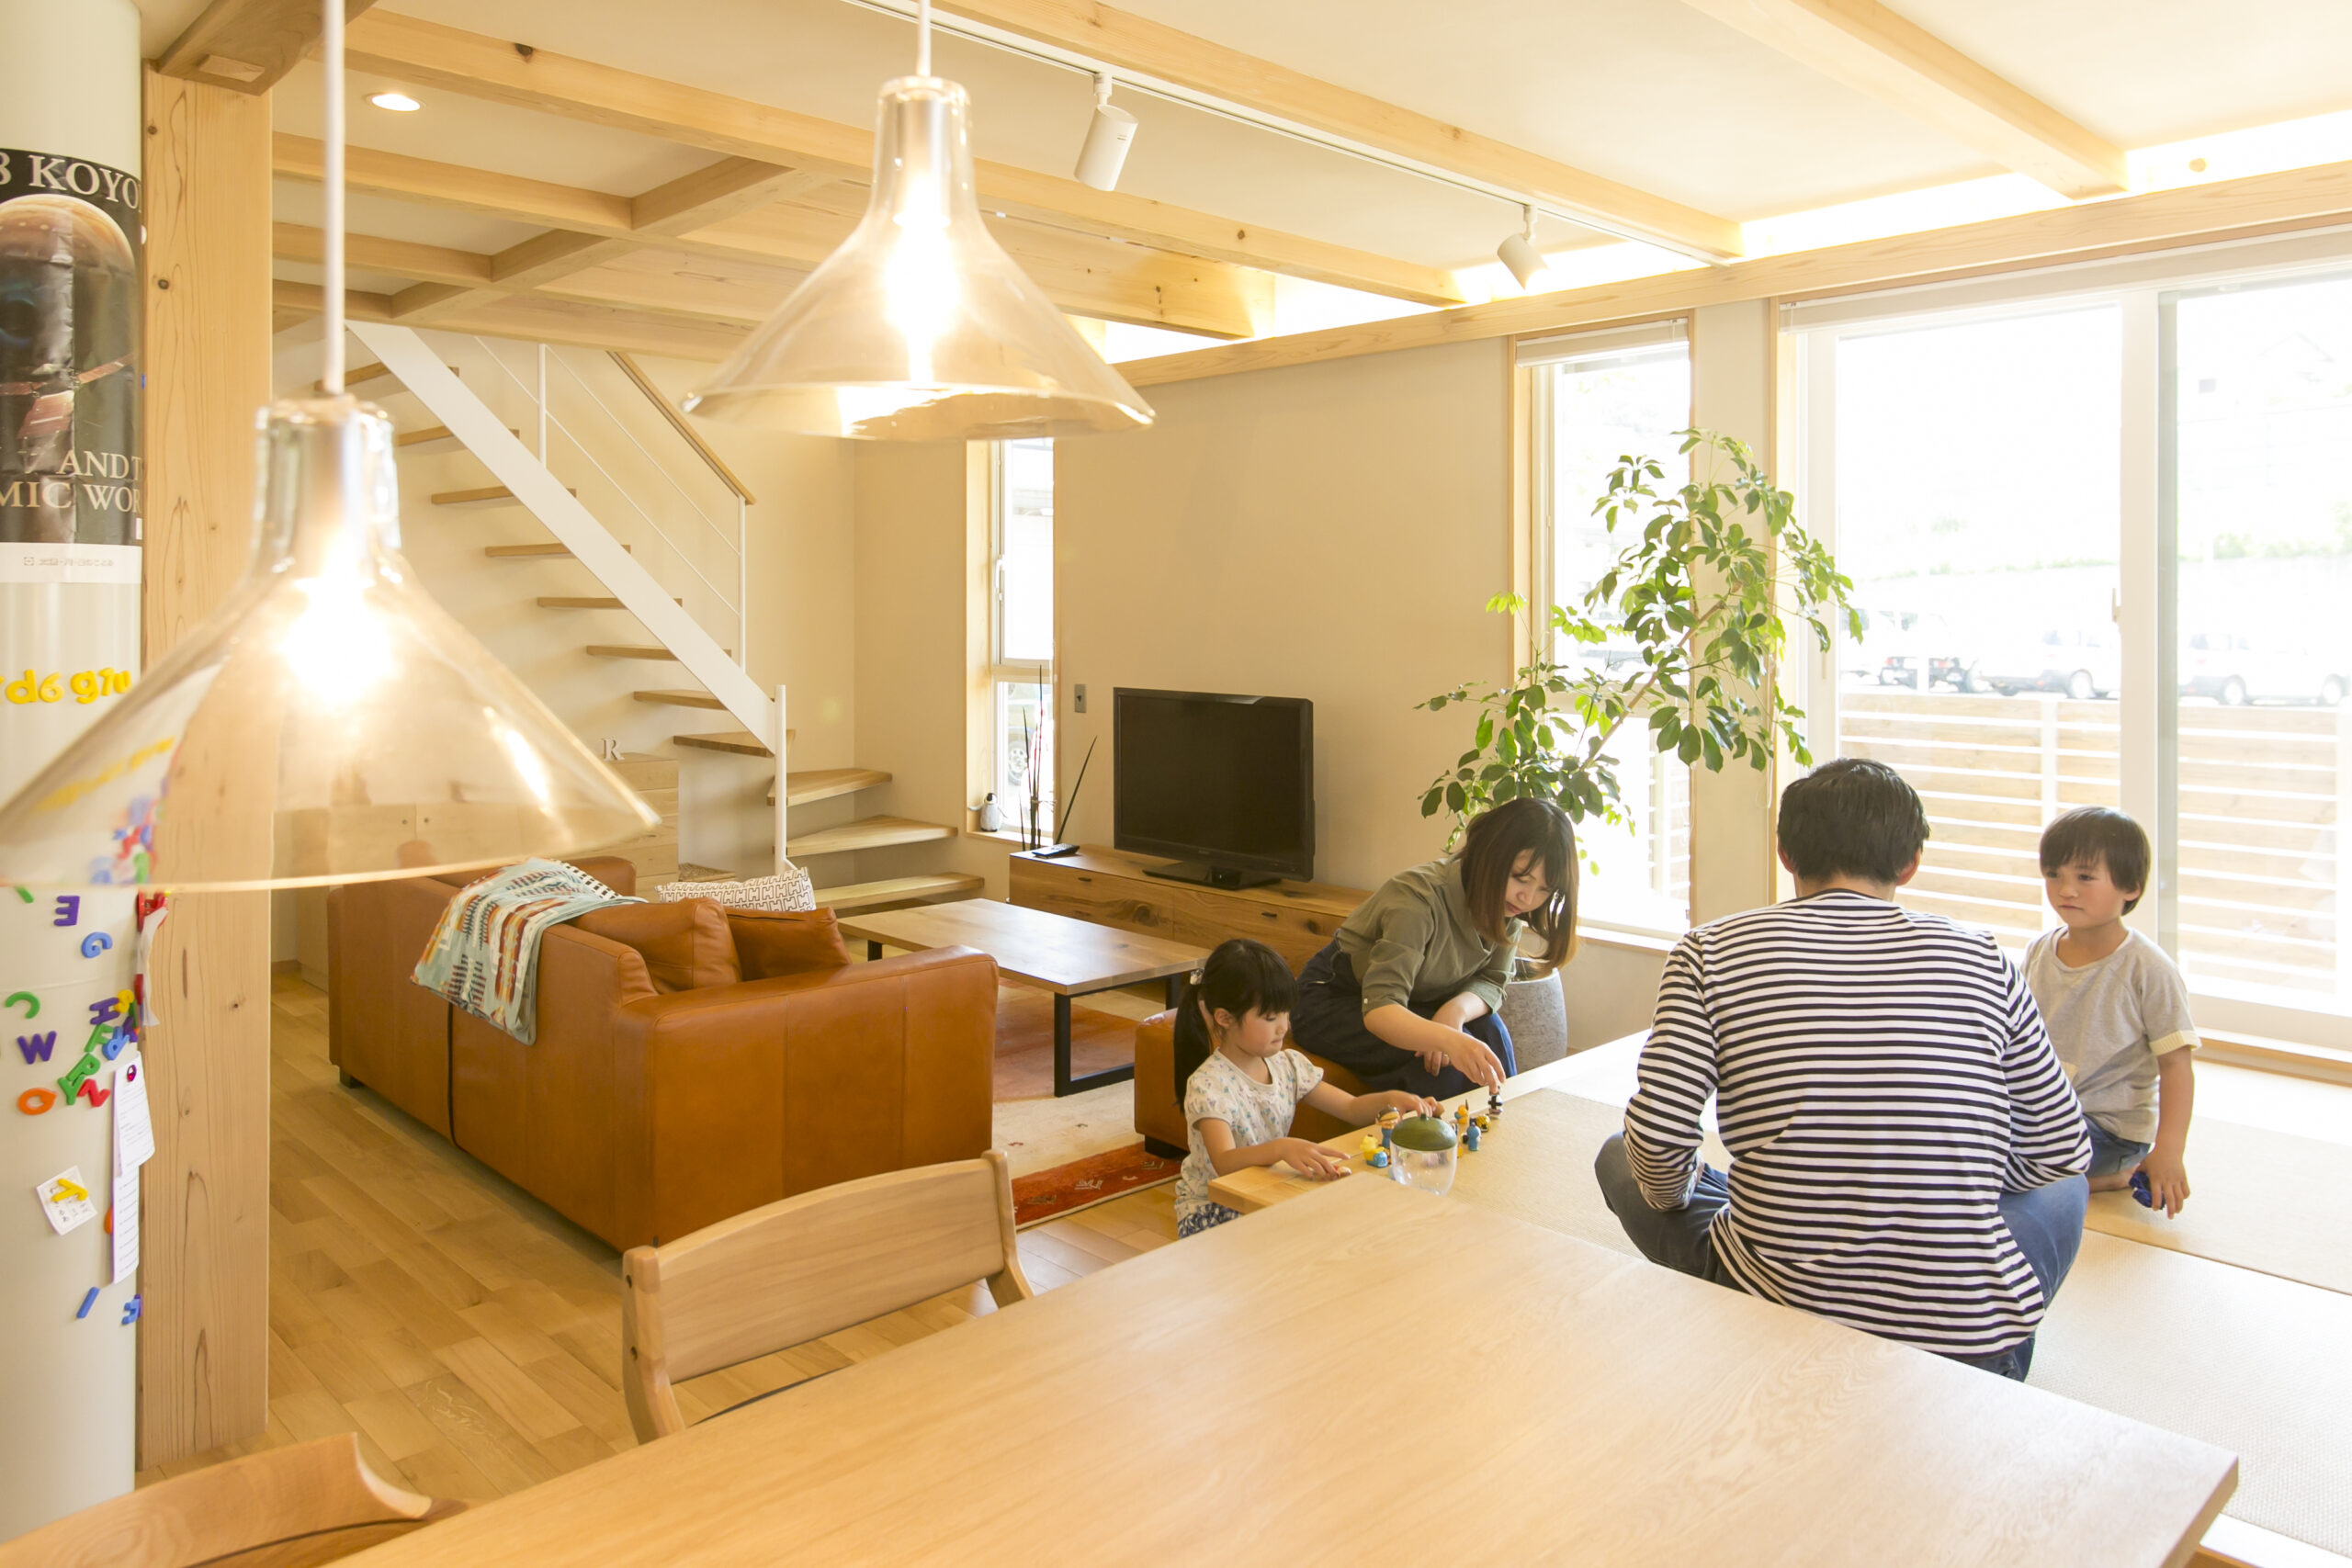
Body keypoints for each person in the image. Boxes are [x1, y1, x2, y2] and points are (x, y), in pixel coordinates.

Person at [1593, 758, 2091, 1381]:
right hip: (1973, 1355)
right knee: (2068, 1187)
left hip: (1773, 1314)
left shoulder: (1708, 951)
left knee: (1619, 1155)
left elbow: (1658, 1141)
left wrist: (1680, 1194)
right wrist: (1957, 1191)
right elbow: (2059, 1149)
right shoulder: (1982, 955)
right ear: (1910, 863)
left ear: (1786, 854)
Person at [1289, 797, 1577, 1100]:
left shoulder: (1508, 906)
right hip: (1336, 998)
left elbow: (1493, 981)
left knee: (1490, 1031)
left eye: (1544, 889)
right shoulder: (1417, 901)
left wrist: (1454, 1013)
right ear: (1489, 855)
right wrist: (1447, 1039)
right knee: (1441, 1069)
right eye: (1520, 878)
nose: (1528, 898)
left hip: (1417, 1000)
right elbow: (1381, 1008)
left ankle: (1504, 1118)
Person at [1172, 939, 1437, 1238]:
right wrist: (1281, 1148)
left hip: (1267, 1191)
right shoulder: (1209, 1085)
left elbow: (1350, 1108)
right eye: (1270, 1017)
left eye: (1285, 1012)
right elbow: (1225, 1163)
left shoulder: (1287, 1066)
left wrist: (1391, 1100)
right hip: (1213, 1210)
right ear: (1225, 1018)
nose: (1284, 1026)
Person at [2028, 807, 2198, 1216]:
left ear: (2131, 888)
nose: (2066, 890)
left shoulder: (2149, 968)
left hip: (2108, 1129)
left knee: (2010, 1163)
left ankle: (2101, 1179)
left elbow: (2176, 1065)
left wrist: (2169, 1151)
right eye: (2054, 874)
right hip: (2044, 1112)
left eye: (2085, 877)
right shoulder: (2039, 950)